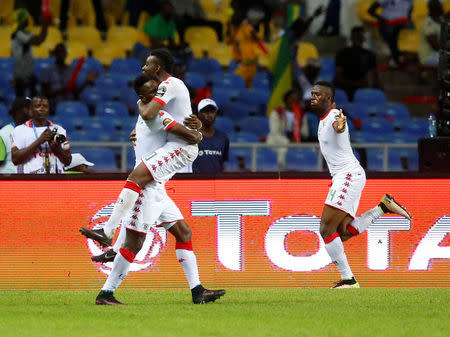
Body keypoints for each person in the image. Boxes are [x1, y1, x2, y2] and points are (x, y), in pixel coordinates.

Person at [79, 50, 225, 304]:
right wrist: (195, 129)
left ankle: (109, 241)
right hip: (153, 184)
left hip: (152, 181)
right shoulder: (153, 110)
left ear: (158, 71)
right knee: (178, 234)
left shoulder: (162, 100)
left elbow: (181, 131)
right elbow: (161, 127)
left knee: (156, 232)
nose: (143, 66)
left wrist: (198, 130)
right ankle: (194, 290)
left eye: (148, 64)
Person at [310, 81, 411, 288]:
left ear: (330, 100)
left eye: (318, 94)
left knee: (326, 229)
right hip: (347, 176)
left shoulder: (333, 116)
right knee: (343, 232)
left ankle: (349, 280)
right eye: (312, 93)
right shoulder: (321, 120)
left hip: (347, 175)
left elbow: (339, 126)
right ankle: (383, 207)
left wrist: (341, 125)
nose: (313, 96)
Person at [11, 96, 71, 174]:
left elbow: (68, 161)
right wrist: (39, 141)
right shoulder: (19, 130)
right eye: (38, 106)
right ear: (30, 110)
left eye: (45, 106)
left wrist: (57, 148)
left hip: (55, 179)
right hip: (30, 180)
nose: (42, 108)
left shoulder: (59, 130)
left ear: (49, 109)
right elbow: (15, 159)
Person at [41, 43, 98, 114]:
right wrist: (62, 90)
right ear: (55, 54)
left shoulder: (71, 70)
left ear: (66, 54)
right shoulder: (47, 70)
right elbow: (45, 93)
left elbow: (76, 92)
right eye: (58, 52)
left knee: (90, 108)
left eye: (62, 52)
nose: (61, 54)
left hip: (70, 102)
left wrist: (86, 82)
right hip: (54, 104)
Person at [334, 26, 381, 101]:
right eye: (355, 36)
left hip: (362, 87)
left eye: (360, 36)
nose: (357, 39)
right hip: (344, 87)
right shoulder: (342, 53)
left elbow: (373, 75)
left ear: (363, 38)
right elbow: (338, 74)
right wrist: (351, 84)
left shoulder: (369, 54)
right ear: (351, 37)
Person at [11, 9, 50, 97]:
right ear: (22, 20)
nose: (28, 20)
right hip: (21, 76)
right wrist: (44, 25)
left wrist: (45, 26)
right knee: (23, 103)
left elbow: (40, 40)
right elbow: (37, 41)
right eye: (26, 18)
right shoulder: (18, 34)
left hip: (29, 74)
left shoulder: (25, 33)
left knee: (33, 101)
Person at [266, 90, 308, 169]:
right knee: (283, 150)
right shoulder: (276, 113)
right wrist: (288, 142)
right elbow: (274, 132)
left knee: (311, 151)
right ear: (286, 99)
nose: (294, 101)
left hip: (295, 142)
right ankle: (283, 173)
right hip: (276, 141)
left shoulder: (301, 114)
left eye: (296, 99)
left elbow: (305, 133)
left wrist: (300, 126)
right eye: (291, 99)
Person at [368, 0, 413, 68]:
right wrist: (382, 20)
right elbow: (371, 10)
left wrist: (408, 18)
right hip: (388, 24)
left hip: (402, 24)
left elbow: (410, 9)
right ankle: (396, 59)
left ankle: (398, 58)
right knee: (391, 37)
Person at [192, 99, 229, 173]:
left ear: (216, 114)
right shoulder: (192, 136)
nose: (209, 115)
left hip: (217, 182)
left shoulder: (223, 137)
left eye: (212, 112)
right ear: (199, 114)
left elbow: (222, 161)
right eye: (205, 111)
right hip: (196, 182)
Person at [0, 97, 31, 174]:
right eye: (29, 108)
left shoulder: (36, 133)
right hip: (10, 182)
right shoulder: (4, 134)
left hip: (31, 182)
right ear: (18, 111)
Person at [418, 0, 444, 68]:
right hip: (428, 56)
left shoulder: (439, 18)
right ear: (434, 10)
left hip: (437, 52)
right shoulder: (428, 24)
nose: (443, 9)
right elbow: (435, 47)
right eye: (441, 8)